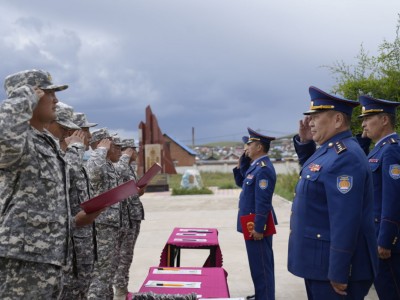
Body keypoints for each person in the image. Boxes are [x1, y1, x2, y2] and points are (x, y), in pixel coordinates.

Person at [0, 69, 100, 299]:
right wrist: (22, 96)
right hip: (22, 260)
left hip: (51, 258)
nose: (55, 99)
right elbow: (4, 133)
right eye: (49, 93)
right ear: (32, 95)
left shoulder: (47, 142)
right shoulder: (21, 140)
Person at [287, 86, 378, 299]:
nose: (310, 122)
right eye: (310, 117)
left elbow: (345, 220)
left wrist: (339, 271)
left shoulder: (346, 156)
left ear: (337, 120)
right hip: (319, 265)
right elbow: (314, 175)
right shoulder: (330, 150)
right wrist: (306, 143)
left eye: (316, 116)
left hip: (333, 269)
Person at [358, 95, 400, 299]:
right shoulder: (379, 149)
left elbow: (393, 198)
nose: (364, 124)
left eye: (368, 118)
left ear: (384, 120)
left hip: (387, 240)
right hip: (375, 234)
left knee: (391, 291)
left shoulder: (391, 150)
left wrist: (386, 239)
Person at [58, 112, 99, 300]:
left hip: (84, 242)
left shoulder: (76, 160)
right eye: (85, 132)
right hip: (69, 245)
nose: (90, 137)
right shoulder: (65, 158)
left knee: (82, 291)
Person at [237, 128, 276, 300]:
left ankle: (266, 296)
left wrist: (259, 228)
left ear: (259, 147)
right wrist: (243, 161)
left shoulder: (264, 169)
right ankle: (262, 294)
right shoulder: (255, 167)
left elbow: (263, 201)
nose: (247, 147)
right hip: (251, 222)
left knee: (262, 264)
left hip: (257, 224)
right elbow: (242, 181)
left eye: (250, 144)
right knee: (257, 263)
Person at [86, 128, 124, 300]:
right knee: (100, 272)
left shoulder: (109, 164)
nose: (114, 147)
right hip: (102, 224)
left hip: (112, 222)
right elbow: (93, 173)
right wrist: (101, 149)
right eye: (109, 141)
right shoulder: (97, 160)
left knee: (108, 270)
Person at [113, 138, 146, 299]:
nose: (136, 152)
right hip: (124, 217)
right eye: (133, 149)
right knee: (123, 256)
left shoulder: (130, 167)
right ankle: (119, 290)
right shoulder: (120, 166)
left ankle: (122, 287)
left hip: (133, 215)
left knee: (128, 255)